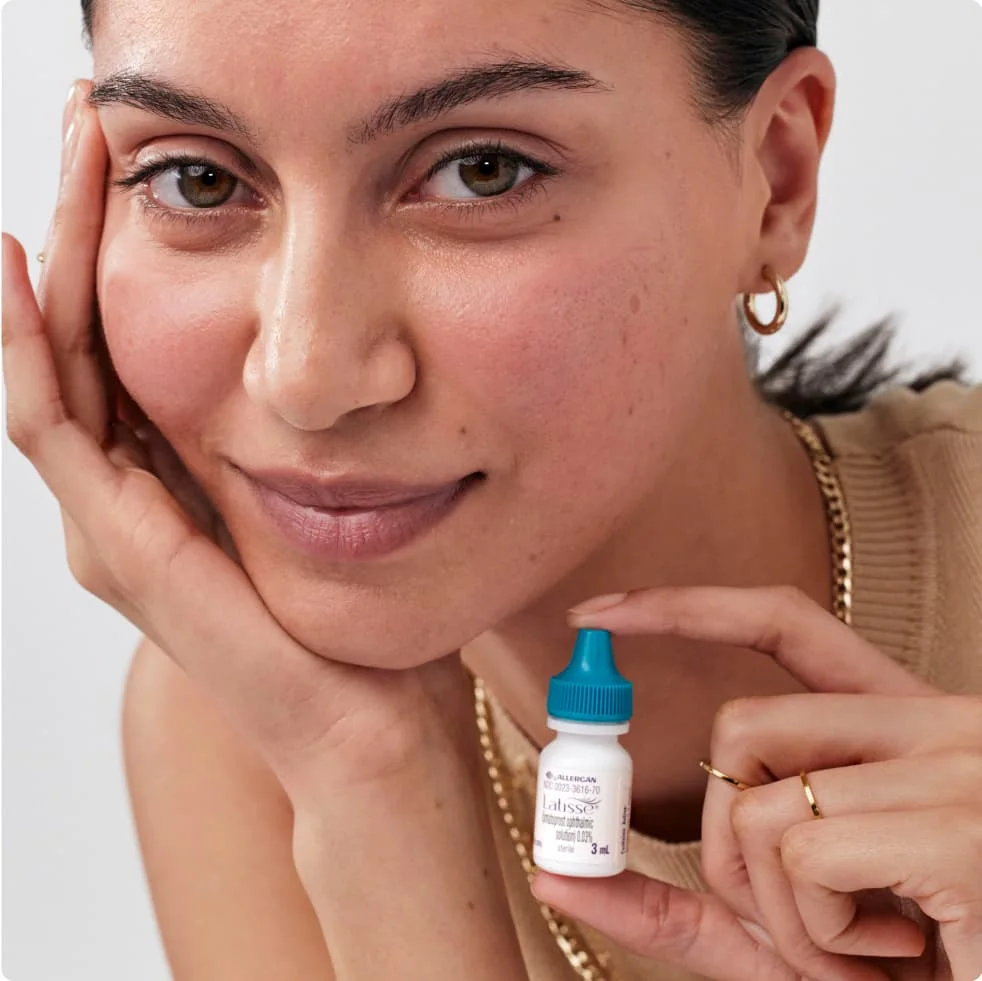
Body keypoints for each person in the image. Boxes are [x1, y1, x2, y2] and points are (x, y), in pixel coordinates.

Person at [3, 0, 981, 979]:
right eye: (197, 179)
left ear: (775, 180)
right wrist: (370, 780)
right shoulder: (245, 716)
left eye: (483, 170)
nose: (303, 376)